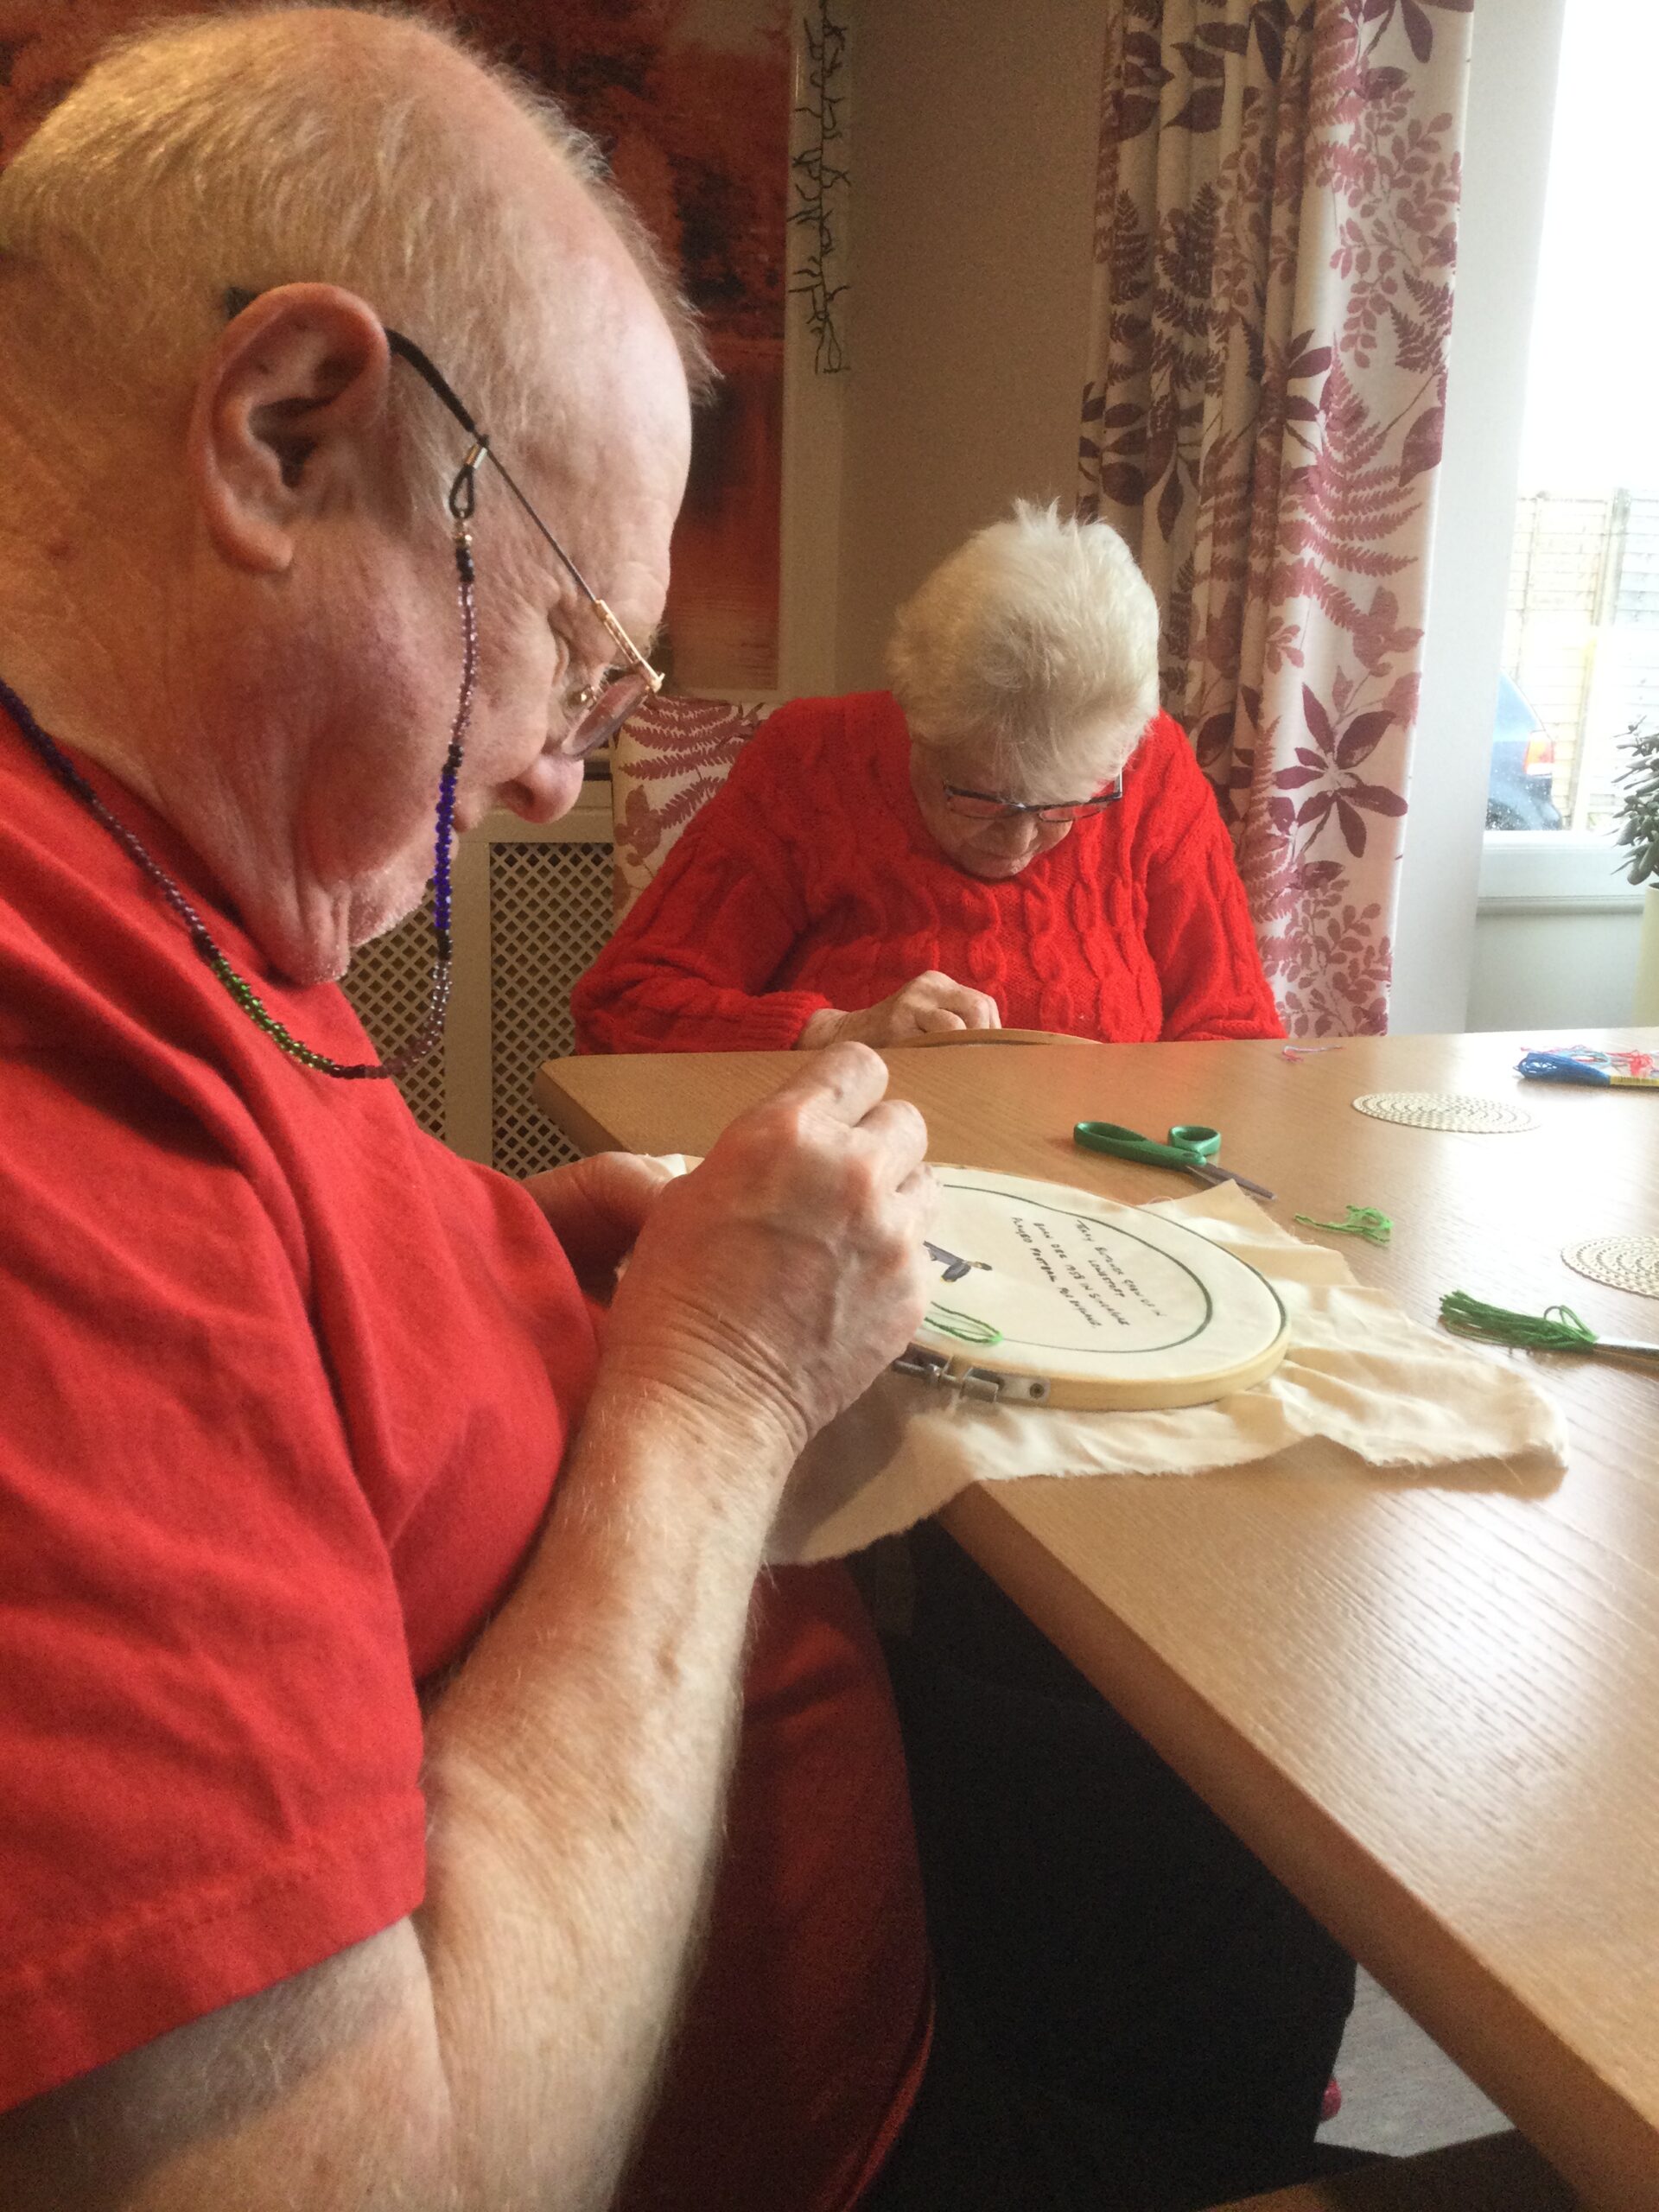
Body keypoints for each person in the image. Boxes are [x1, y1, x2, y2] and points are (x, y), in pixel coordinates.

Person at [0, 13, 1353, 2211]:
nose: (559, 775)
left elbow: (290, 1342)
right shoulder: (46, 1075)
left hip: (795, 1868)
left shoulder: (180, 892)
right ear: (282, 433)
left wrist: (524, 1254)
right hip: (804, 2132)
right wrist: (718, 1375)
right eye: (572, 647)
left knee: (1268, 1836)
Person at [572, 504, 1283, 1054]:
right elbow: (624, 1009)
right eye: (983, 797)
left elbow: (1238, 1039)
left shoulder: (1151, 770)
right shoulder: (812, 761)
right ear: (916, 724)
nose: (1022, 840)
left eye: (1065, 805)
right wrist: (832, 1033)